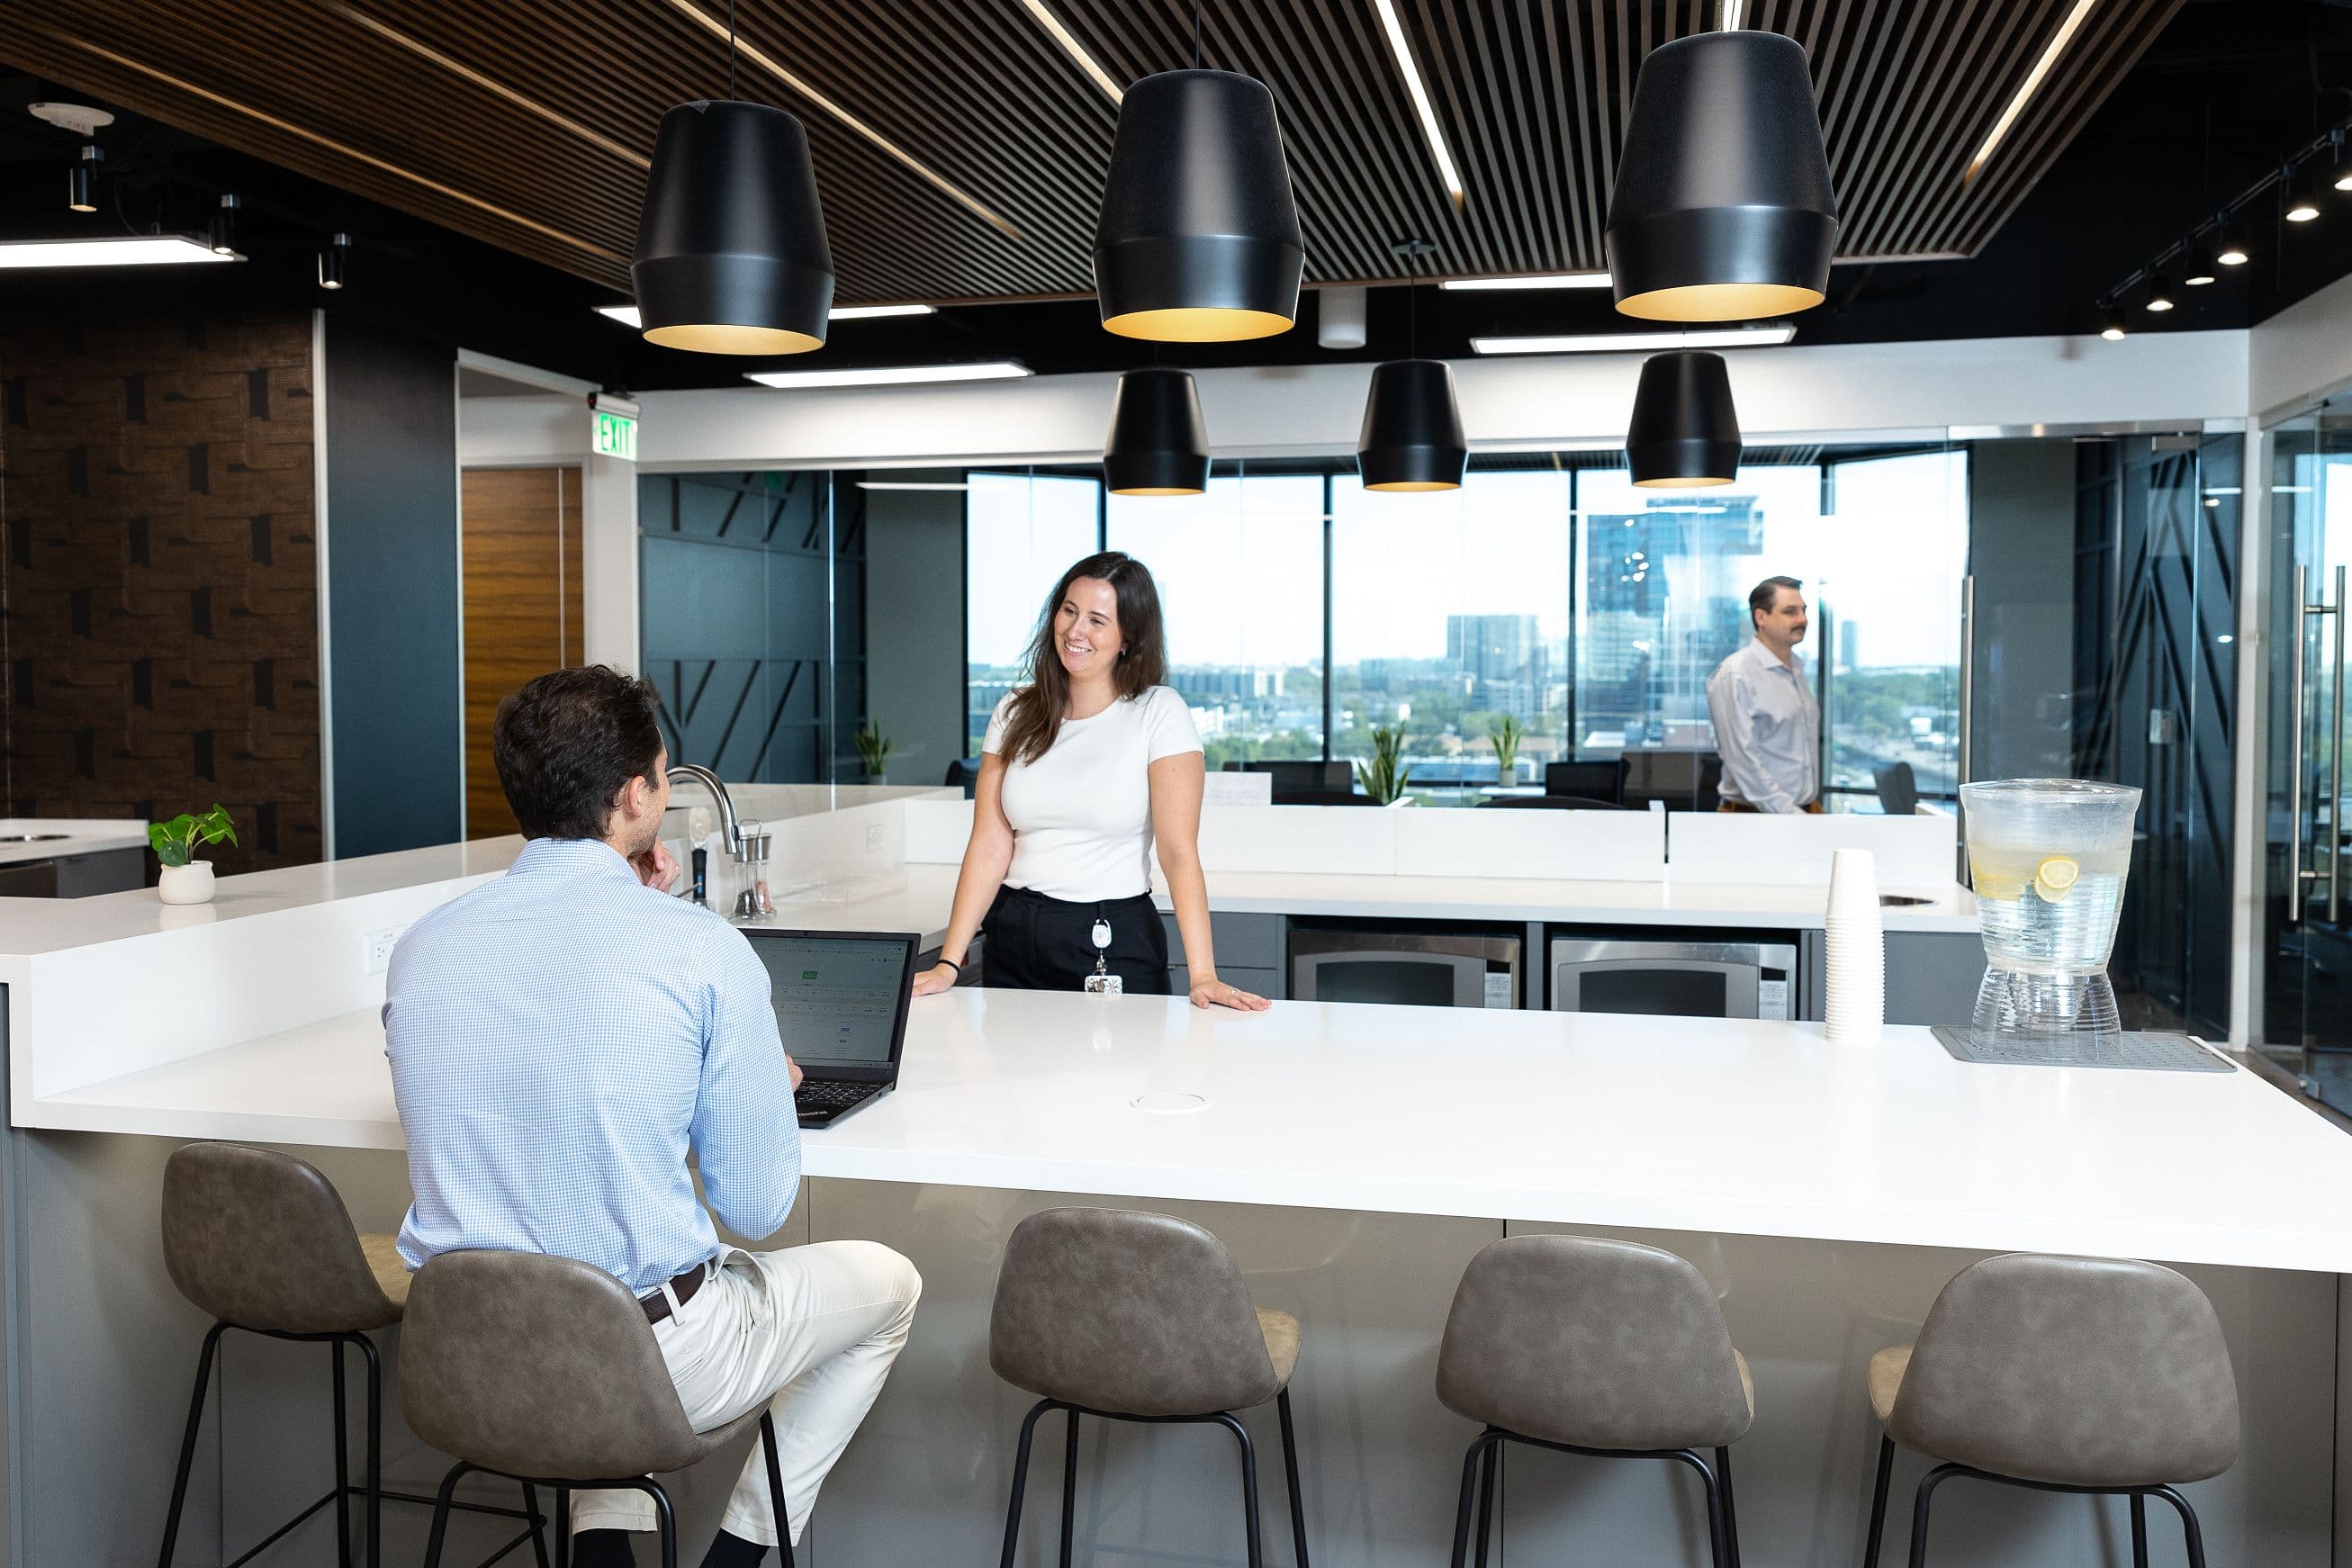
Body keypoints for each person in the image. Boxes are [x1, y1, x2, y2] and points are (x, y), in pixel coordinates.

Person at [384, 666, 921, 1568]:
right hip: (649, 1365)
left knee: (577, 1254)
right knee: (890, 1283)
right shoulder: (703, 950)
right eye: (665, 777)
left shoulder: (421, 948)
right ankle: (740, 1557)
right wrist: (749, 1073)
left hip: (466, 1357)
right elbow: (757, 1209)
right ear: (636, 794)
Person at [912, 551, 1270, 1010]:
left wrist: (1203, 975)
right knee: (1012, 1078)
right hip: (1015, 931)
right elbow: (988, 843)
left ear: (1128, 638)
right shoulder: (1014, 710)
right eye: (1069, 611)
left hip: (1112, 935)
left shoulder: (1158, 712)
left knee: (1119, 1080)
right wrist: (949, 962)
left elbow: (1178, 852)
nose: (1076, 631)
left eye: (1098, 621)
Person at [1706, 574, 1824, 814]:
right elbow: (1744, 761)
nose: (1803, 619)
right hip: (1754, 818)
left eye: (1804, 610)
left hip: (1803, 813)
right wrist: (1794, 817)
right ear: (1761, 617)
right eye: (1790, 611)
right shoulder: (1736, 674)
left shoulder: (1797, 669)